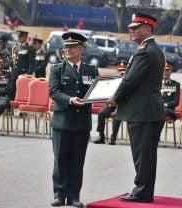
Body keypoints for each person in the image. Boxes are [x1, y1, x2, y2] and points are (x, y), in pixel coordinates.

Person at [108, 13, 165, 203]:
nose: (131, 30)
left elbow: (131, 80)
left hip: (143, 112)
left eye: (136, 27)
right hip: (148, 110)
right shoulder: (151, 49)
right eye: (130, 27)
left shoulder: (146, 51)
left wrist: (115, 98)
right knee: (146, 155)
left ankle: (142, 191)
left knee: (142, 155)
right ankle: (144, 191)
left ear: (148, 29)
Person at [48, 32, 97, 207]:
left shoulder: (91, 70)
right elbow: (54, 92)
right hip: (63, 121)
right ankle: (60, 194)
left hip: (82, 123)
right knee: (60, 161)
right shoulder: (57, 69)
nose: (68, 49)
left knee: (77, 161)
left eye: (72, 47)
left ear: (81, 49)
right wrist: (70, 100)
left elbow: (95, 92)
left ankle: (74, 196)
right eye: (66, 47)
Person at [93, 60, 127, 145]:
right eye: (119, 70)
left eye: (123, 70)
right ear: (116, 70)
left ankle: (113, 137)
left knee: (116, 115)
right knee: (101, 113)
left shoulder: (128, 80)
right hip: (112, 102)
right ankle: (101, 136)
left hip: (123, 104)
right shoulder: (113, 79)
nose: (121, 72)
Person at [10, 30, 35, 100]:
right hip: (14, 74)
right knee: (11, 93)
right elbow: (12, 61)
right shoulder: (16, 47)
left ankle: (22, 111)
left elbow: (31, 64)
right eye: (18, 36)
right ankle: (10, 110)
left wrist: (27, 75)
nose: (19, 38)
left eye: (20, 36)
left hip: (23, 75)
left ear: (25, 37)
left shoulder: (29, 48)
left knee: (22, 94)